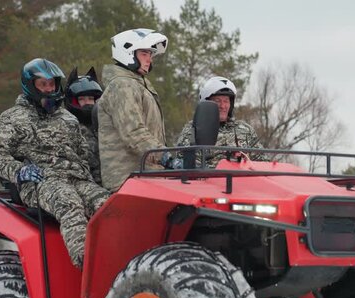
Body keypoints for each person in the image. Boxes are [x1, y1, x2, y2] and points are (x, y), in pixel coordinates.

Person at [0, 58, 110, 268]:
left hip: (77, 178)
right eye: (43, 84)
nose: (49, 89)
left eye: (52, 84)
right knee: (69, 204)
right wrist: (19, 171)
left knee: (108, 206)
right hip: (42, 181)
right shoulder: (14, 118)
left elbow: (83, 153)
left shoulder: (68, 119)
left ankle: (118, 259)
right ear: (30, 85)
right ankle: (89, 266)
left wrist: (94, 178)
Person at [96, 28, 169, 192]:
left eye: (150, 54)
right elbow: (133, 132)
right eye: (144, 53)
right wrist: (166, 157)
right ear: (128, 52)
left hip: (145, 176)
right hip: (128, 180)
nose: (149, 59)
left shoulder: (137, 84)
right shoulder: (122, 86)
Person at [175, 76, 266, 167]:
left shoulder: (245, 130)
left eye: (226, 101)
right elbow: (183, 165)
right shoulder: (194, 129)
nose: (223, 106)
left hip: (241, 179)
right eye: (217, 101)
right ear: (207, 104)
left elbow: (264, 163)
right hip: (208, 179)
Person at [64, 67, 103, 185]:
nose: (87, 102)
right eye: (82, 99)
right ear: (73, 101)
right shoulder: (66, 128)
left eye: (91, 98)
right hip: (83, 185)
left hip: (109, 182)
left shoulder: (105, 125)